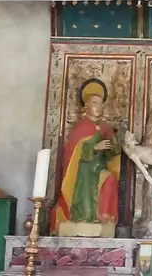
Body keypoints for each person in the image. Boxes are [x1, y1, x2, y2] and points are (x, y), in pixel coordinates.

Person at [52, 78, 121, 235]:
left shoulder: (105, 127)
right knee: (86, 208)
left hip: (99, 169)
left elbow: (111, 153)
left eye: (101, 103)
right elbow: (73, 150)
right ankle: (83, 215)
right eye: (95, 103)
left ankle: (104, 215)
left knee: (110, 179)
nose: (99, 106)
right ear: (87, 106)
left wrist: (115, 146)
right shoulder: (81, 127)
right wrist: (94, 147)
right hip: (84, 173)